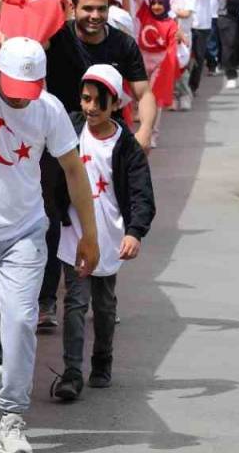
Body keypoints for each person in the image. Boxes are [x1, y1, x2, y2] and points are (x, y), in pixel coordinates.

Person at [0, 0, 98, 453]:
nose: (19, 101)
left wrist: (89, 236)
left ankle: (13, 416)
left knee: (19, 323)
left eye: (27, 93)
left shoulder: (48, 109)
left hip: (26, 232)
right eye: (14, 90)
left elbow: (74, 169)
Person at [51, 64, 154, 400]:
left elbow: (141, 194)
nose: (91, 107)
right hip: (76, 232)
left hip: (110, 234)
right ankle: (71, 372)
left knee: (104, 305)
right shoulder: (69, 128)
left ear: (114, 104)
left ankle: (102, 359)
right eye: (85, 99)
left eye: (98, 101)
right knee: (75, 302)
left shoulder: (125, 146)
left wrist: (134, 232)